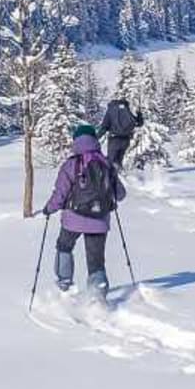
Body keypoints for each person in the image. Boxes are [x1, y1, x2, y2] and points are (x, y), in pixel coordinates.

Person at [40, 125, 127, 301]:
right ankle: (98, 297)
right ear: (95, 140)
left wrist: (49, 208)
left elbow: (60, 194)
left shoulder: (71, 164)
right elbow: (121, 194)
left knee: (64, 246)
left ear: (76, 141)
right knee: (96, 260)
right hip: (100, 221)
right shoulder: (106, 163)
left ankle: (64, 284)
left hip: (73, 218)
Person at [98, 97, 143, 169]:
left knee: (111, 162)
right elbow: (139, 123)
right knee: (119, 161)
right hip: (126, 140)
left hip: (114, 139)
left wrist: (96, 137)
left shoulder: (111, 110)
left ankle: (111, 178)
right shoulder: (127, 110)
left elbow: (104, 126)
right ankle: (121, 175)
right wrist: (139, 115)